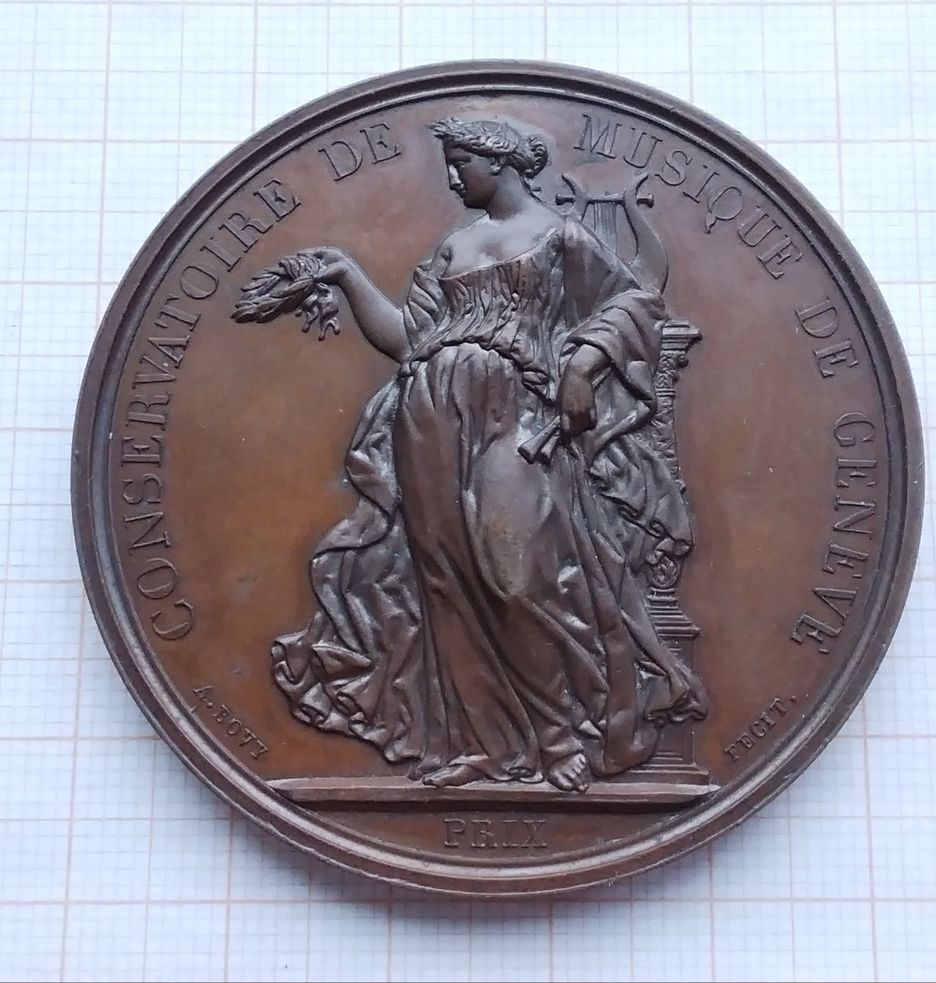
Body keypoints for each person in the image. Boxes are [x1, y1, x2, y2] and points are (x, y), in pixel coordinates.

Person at [270, 117, 707, 792]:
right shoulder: (453, 247)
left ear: (498, 161)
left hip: (516, 410)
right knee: (443, 577)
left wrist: (583, 366)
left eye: (461, 162)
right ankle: (484, 742)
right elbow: (408, 339)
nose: (451, 177)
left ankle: (561, 732)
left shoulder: (562, 237)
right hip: (426, 414)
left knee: (516, 574)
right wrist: (348, 275)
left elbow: (635, 303)